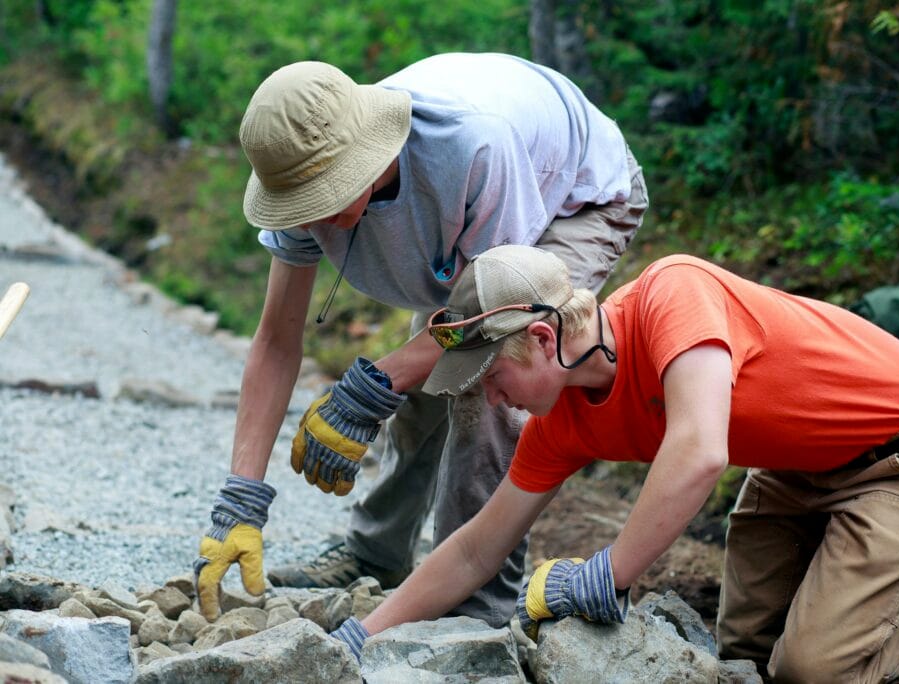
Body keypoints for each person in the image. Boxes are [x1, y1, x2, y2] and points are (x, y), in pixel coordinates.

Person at [192, 53, 649, 627]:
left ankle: (475, 609)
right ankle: (375, 555)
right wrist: (240, 502)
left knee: (490, 386)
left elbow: (496, 319)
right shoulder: (298, 169)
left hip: (575, 195)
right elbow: (277, 341)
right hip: (475, 233)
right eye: (298, 207)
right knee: (419, 394)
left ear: (368, 158)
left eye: (323, 201)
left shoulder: (472, 149)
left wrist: (369, 387)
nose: (309, 222)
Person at [331, 245, 899, 683]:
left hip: (897, 455)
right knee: (744, 659)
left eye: (492, 375)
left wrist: (607, 574)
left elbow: (700, 450)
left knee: (811, 672)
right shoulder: (562, 422)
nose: (490, 397)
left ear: (542, 339)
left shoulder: (674, 293)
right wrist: (359, 637)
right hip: (793, 469)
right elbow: (475, 550)